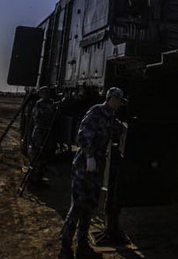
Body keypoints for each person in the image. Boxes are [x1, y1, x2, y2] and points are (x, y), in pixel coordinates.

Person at [59, 87, 128, 259]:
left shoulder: (111, 117)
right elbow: (82, 135)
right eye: (118, 101)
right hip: (85, 165)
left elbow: (119, 130)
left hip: (97, 168)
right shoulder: (96, 111)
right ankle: (65, 247)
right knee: (77, 206)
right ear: (112, 99)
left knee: (89, 206)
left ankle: (82, 244)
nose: (119, 105)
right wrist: (89, 155)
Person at [28, 86, 56, 185]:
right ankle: (33, 178)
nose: (46, 95)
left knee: (44, 156)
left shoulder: (51, 103)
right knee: (36, 155)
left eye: (47, 93)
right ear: (40, 94)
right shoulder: (39, 104)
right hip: (39, 132)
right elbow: (39, 117)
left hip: (46, 132)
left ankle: (39, 178)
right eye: (44, 93)